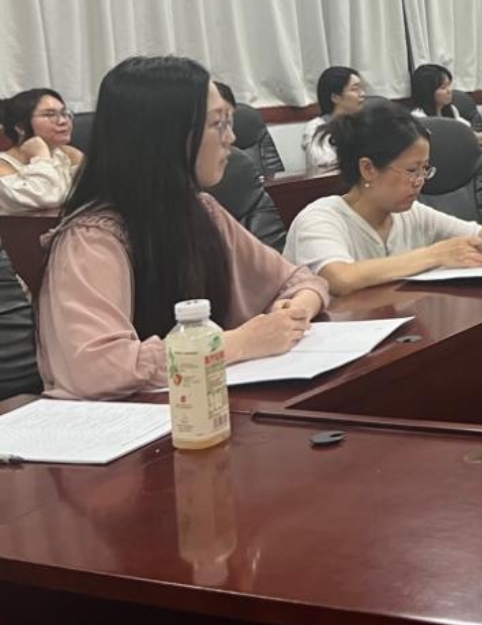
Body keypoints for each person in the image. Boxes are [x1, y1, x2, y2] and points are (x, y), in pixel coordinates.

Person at [36, 56, 330, 400]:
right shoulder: (92, 238)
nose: (232, 138)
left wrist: (296, 311)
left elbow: (298, 280)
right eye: (218, 123)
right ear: (167, 136)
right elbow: (96, 368)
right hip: (133, 422)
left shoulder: (202, 210)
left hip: (206, 405)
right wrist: (239, 343)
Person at [285, 104, 482, 295]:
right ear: (368, 169)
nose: (420, 181)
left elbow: (473, 234)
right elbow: (341, 278)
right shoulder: (320, 218)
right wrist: (434, 255)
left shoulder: (410, 214)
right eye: (411, 170)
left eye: (424, 169)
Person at [0, 88, 83, 214]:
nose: (63, 121)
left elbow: (96, 197)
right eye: (49, 115)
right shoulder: (3, 167)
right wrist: (41, 157)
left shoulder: (66, 156)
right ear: (21, 127)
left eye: (65, 113)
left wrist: (80, 161)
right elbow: (46, 199)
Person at [301, 67, 367, 171]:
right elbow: (325, 163)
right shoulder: (315, 127)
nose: (363, 94)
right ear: (335, 97)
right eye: (355, 89)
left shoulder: (365, 122)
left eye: (362, 88)